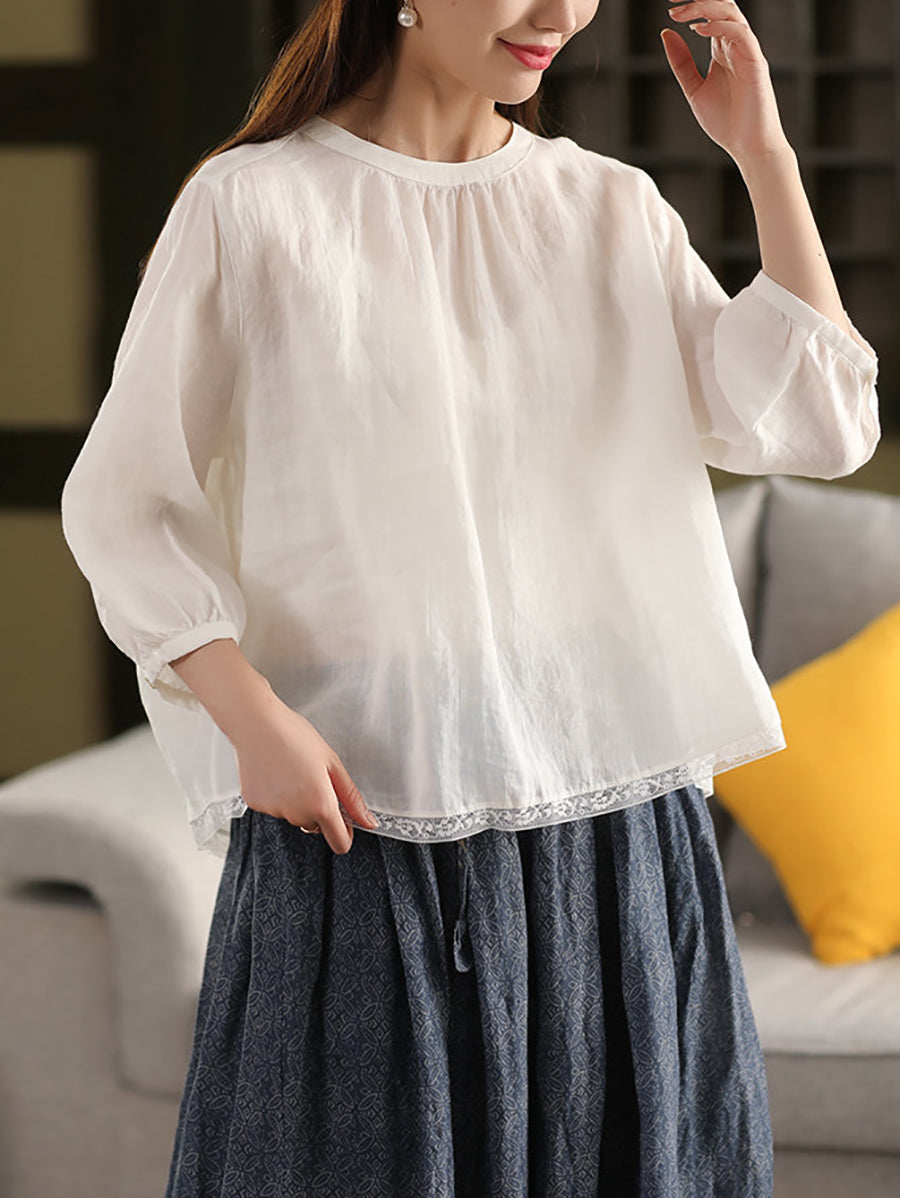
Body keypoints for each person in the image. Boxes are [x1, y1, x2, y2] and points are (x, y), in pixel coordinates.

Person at [60, 1, 880, 1194]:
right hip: (362, 806)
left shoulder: (607, 206)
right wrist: (253, 719)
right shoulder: (255, 207)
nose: (561, 15)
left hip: (614, 813)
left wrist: (764, 151)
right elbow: (127, 505)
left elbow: (818, 422)